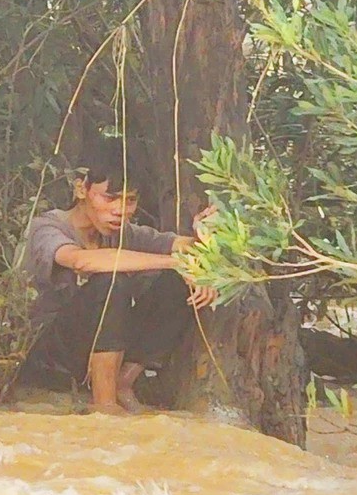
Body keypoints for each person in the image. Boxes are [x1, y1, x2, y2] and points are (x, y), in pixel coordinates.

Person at [19, 139, 219, 414]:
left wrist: (204, 234)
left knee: (176, 283)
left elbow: (182, 245)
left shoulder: (122, 232)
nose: (121, 210)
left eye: (130, 200)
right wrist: (177, 263)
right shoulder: (48, 226)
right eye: (110, 198)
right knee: (112, 278)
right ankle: (105, 403)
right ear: (81, 188)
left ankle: (124, 384)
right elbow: (82, 261)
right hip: (52, 357)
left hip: (101, 351)